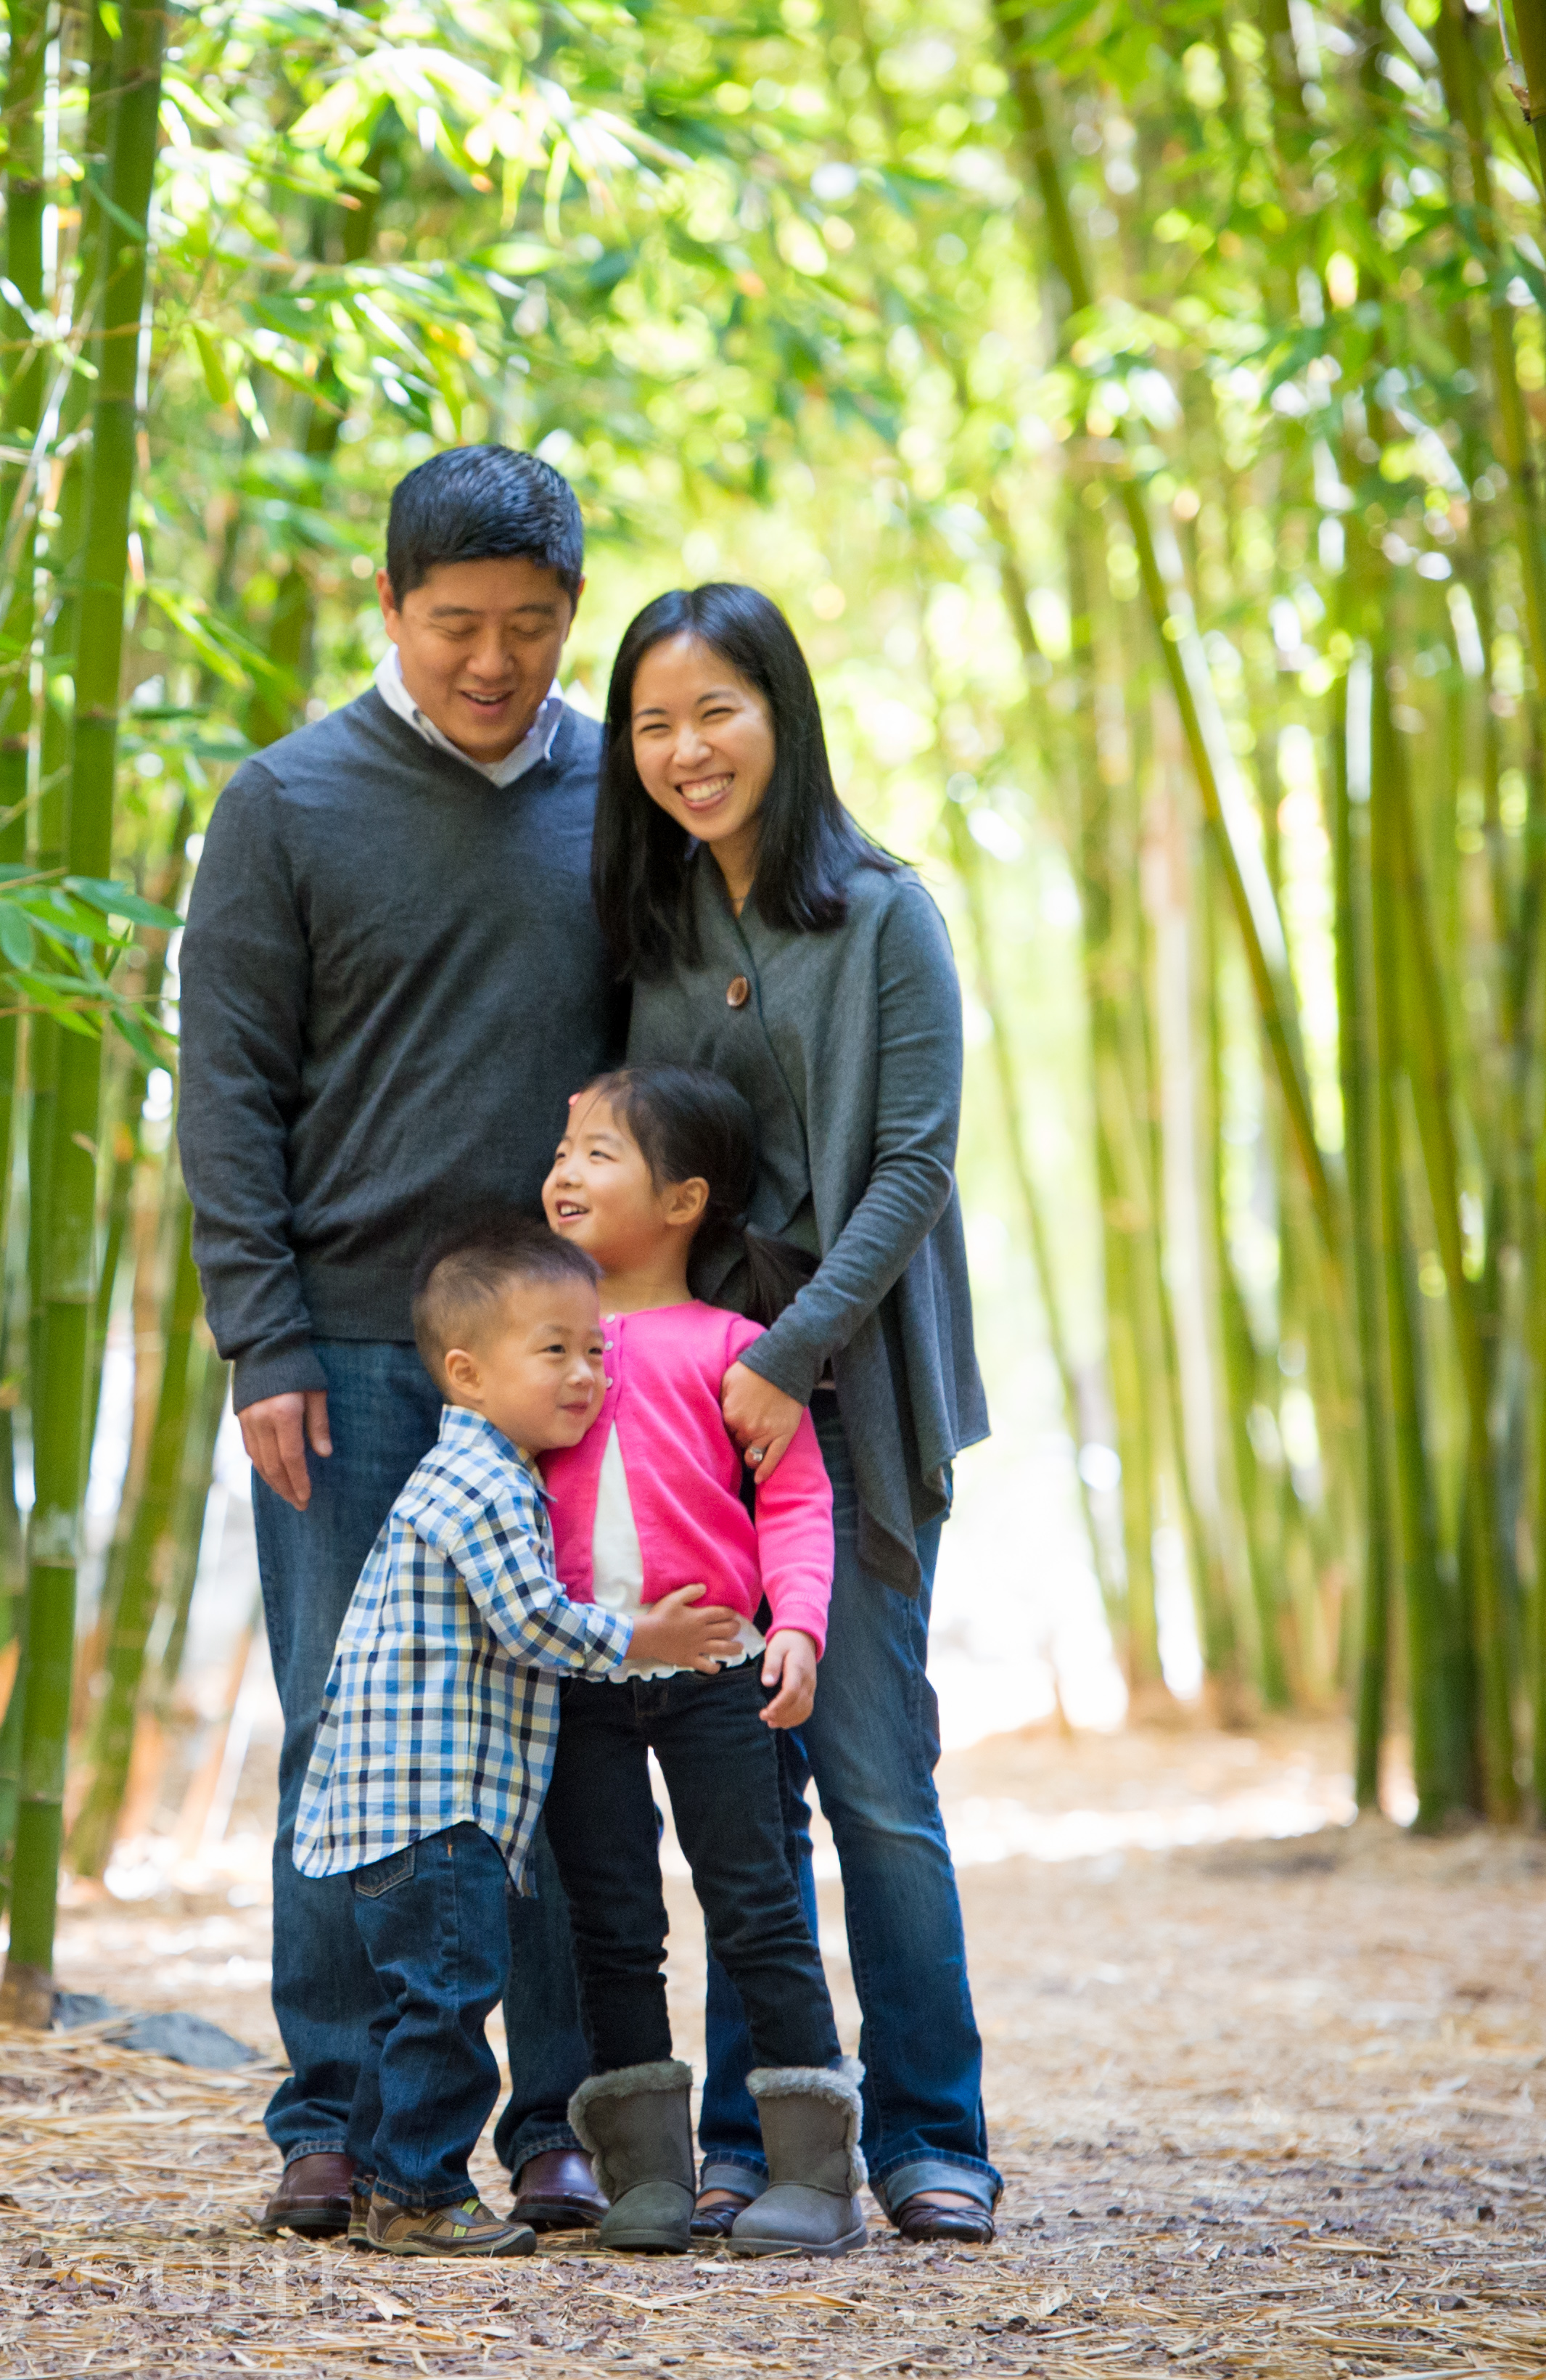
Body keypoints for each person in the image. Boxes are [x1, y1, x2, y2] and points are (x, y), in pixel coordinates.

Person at [178, 446, 625, 2240]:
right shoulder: (283, 803)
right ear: (389, 608)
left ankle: (558, 2122)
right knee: (349, 1739)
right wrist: (259, 1331)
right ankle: (334, 2115)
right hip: (352, 1351)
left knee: (558, 1735)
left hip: (564, 1356)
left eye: (529, 626)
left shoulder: (624, 791)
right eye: (456, 625)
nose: (493, 663)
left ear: (569, 618)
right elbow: (226, 1091)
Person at [589, 583, 1002, 2245]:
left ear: (784, 713)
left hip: (856, 1389)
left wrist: (788, 1354)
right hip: (699, 1420)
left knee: (871, 1771)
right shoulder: (661, 928)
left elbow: (912, 1163)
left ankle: (931, 2129)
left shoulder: (886, 911)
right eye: (652, 724)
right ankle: (757, 2134)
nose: (687, 751)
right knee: (734, 1795)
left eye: (717, 712)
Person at [285, 1221, 744, 2255]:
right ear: (467, 1372)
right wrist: (647, 1638)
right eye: (554, 1351)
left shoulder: (487, 1473)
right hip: (433, 1807)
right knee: (447, 2002)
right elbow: (533, 1622)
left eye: (595, 1350)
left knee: (416, 2004)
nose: (586, 1374)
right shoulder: (482, 1484)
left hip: (419, 1802)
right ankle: (420, 2195)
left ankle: (381, 2183)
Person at [535, 1065, 870, 2257]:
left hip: (719, 1675)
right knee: (611, 1924)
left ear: (683, 1201)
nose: (565, 1171)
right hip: (578, 1683)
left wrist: (800, 1624)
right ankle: (647, 2178)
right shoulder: (545, 1346)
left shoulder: (734, 1347)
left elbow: (795, 1500)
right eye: (563, 1150)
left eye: (599, 1154)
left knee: (757, 1908)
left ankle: (814, 2177)